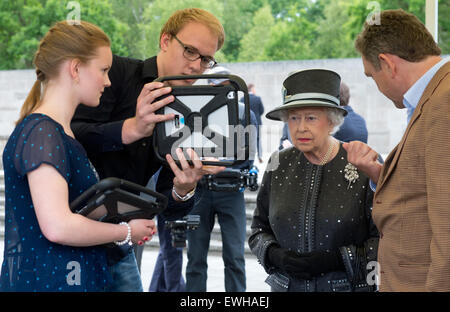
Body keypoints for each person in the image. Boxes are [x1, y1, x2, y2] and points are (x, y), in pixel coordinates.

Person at [71, 8, 225, 292]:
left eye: (206, 59)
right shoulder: (114, 72)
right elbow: (71, 134)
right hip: (72, 236)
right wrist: (130, 129)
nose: (196, 65)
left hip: (119, 244)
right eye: (190, 51)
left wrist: (184, 187)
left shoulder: (189, 111)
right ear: (165, 40)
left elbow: (171, 209)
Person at [0, 20, 156, 292]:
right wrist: (126, 231)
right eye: (103, 70)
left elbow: (69, 213)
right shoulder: (43, 132)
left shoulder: (56, 132)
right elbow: (58, 226)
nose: (108, 81)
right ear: (75, 68)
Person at [345, 9, 450, 292]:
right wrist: (381, 175)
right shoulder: (433, 97)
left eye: (371, 76)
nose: (375, 85)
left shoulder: (444, 101)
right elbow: (427, 188)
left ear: (387, 64)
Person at [249, 69, 379, 292]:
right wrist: (276, 256)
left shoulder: (362, 164)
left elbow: (384, 238)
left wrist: (335, 260)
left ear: (332, 121)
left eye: (311, 117)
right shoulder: (278, 163)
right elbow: (258, 229)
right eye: (293, 118)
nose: (301, 128)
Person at [185, 66, 258, 292]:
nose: (217, 91)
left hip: (231, 189)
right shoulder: (195, 113)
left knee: (235, 257)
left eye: (222, 86)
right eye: (212, 87)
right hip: (199, 191)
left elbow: (249, 155)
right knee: (195, 258)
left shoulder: (245, 112)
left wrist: (221, 164)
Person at [242, 83, 264, 163]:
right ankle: (260, 156)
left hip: (245, 123)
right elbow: (262, 110)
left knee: (246, 139)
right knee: (258, 139)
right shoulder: (257, 98)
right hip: (257, 122)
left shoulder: (242, 99)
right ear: (252, 89)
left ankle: (248, 155)